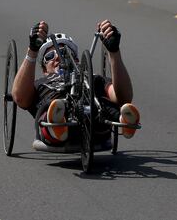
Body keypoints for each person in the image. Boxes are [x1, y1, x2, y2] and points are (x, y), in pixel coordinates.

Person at [12, 20, 140, 146]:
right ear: (45, 70)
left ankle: (124, 119)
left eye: (63, 53)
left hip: (96, 126)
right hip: (56, 128)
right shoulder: (40, 84)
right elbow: (19, 98)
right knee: (53, 105)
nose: (57, 57)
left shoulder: (93, 78)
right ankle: (57, 123)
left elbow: (123, 97)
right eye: (50, 56)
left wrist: (114, 52)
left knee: (103, 104)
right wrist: (32, 50)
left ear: (77, 60)